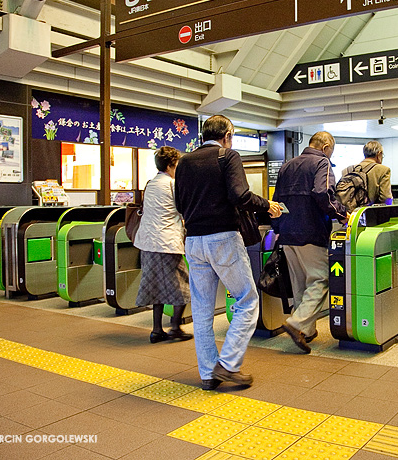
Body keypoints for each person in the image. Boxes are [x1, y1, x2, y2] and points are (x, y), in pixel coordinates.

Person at [175, 115, 283, 390]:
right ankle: (229, 364)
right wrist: (266, 205)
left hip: (194, 241)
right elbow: (240, 195)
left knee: (201, 309)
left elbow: (178, 204)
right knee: (247, 299)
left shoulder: (185, 161)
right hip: (223, 238)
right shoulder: (228, 155)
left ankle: (209, 374)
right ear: (227, 134)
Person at [272, 132, 348, 354]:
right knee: (321, 278)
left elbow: (276, 199)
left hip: (287, 233)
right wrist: (342, 213)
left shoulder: (287, 165)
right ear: (326, 147)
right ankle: (297, 324)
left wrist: (278, 229)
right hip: (310, 231)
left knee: (300, 284)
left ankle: (307, 330)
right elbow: (323, 193)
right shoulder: (321, 162)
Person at [133, 146, 193, 344]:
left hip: (148, 243)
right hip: (166, 243)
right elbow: (184, 209)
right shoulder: (172, 184)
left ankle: (157, 330)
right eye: (177, 165)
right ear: (170, 165)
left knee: (155, 285)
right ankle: (175, 326)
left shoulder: (150, 184)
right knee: (184, 284)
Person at [341, 140, 392, 205]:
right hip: (370, 213)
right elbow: (386, 198)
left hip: (350, 213)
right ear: (379, 154)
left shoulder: (346, 170)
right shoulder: (383, 170)